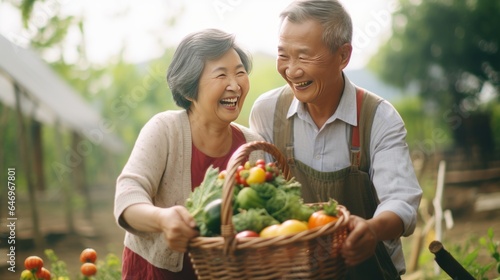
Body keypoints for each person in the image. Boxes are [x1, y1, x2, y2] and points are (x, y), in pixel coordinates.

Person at [249, 1, 422, 279]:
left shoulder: (378, 118)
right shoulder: (268, 112)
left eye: (304, 57)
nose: (292, 70)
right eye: (284, 55)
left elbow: (401, 201)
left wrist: (372, 229)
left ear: (343, 56)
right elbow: (260, 194)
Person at [114, 28, 264, 280]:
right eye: (221, 75)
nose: (235, 85)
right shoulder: (165, 130)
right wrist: (162, 219)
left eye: (240, 72)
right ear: (188, 90)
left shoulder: (252, 146)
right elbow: (128, 195)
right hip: (156, 273)